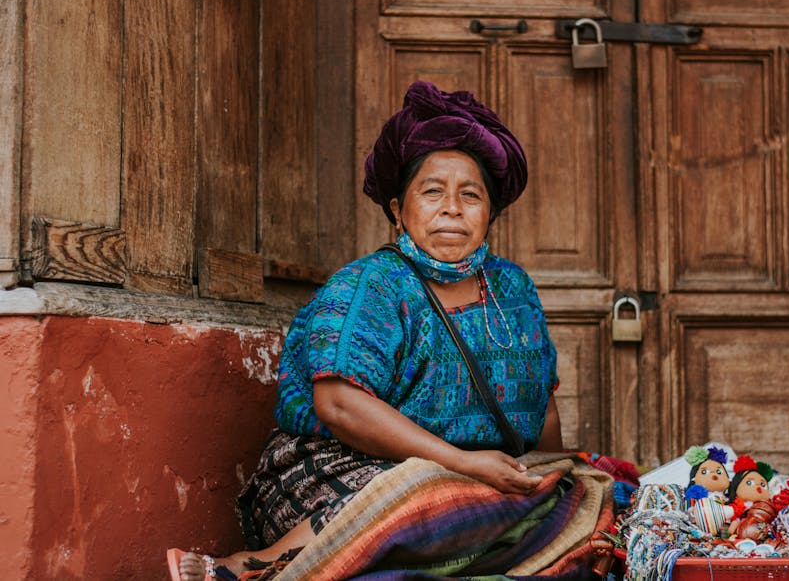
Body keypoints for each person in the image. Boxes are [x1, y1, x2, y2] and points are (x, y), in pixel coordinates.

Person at [169, 80, 569, 581]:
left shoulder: (513, 290)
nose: (452, 207)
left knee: (570, 500)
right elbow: (338, 404)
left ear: (490, 214)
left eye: (471, 195)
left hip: (470, 476)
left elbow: (540, 402)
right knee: (428, 491)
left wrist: (552, 472)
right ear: (398, 211)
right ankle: (247, 570)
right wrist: (462, 465)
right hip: (338, 472)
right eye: (432, 192)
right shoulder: (369, 285)